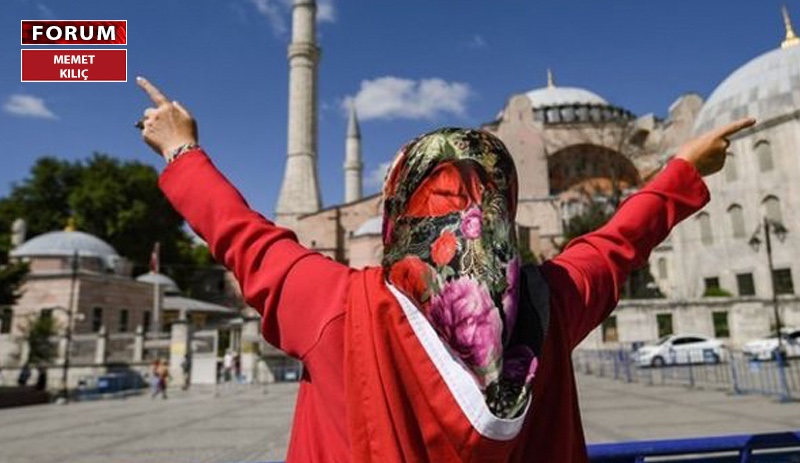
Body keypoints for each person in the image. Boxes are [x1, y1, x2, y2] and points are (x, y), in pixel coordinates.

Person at [136, 77, 754, 462]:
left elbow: (243, 236)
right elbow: (618, 243)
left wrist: (181, 149)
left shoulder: (334, 305)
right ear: (501, 206)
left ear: (398, 205)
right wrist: (682, 171)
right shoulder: (554, 302)